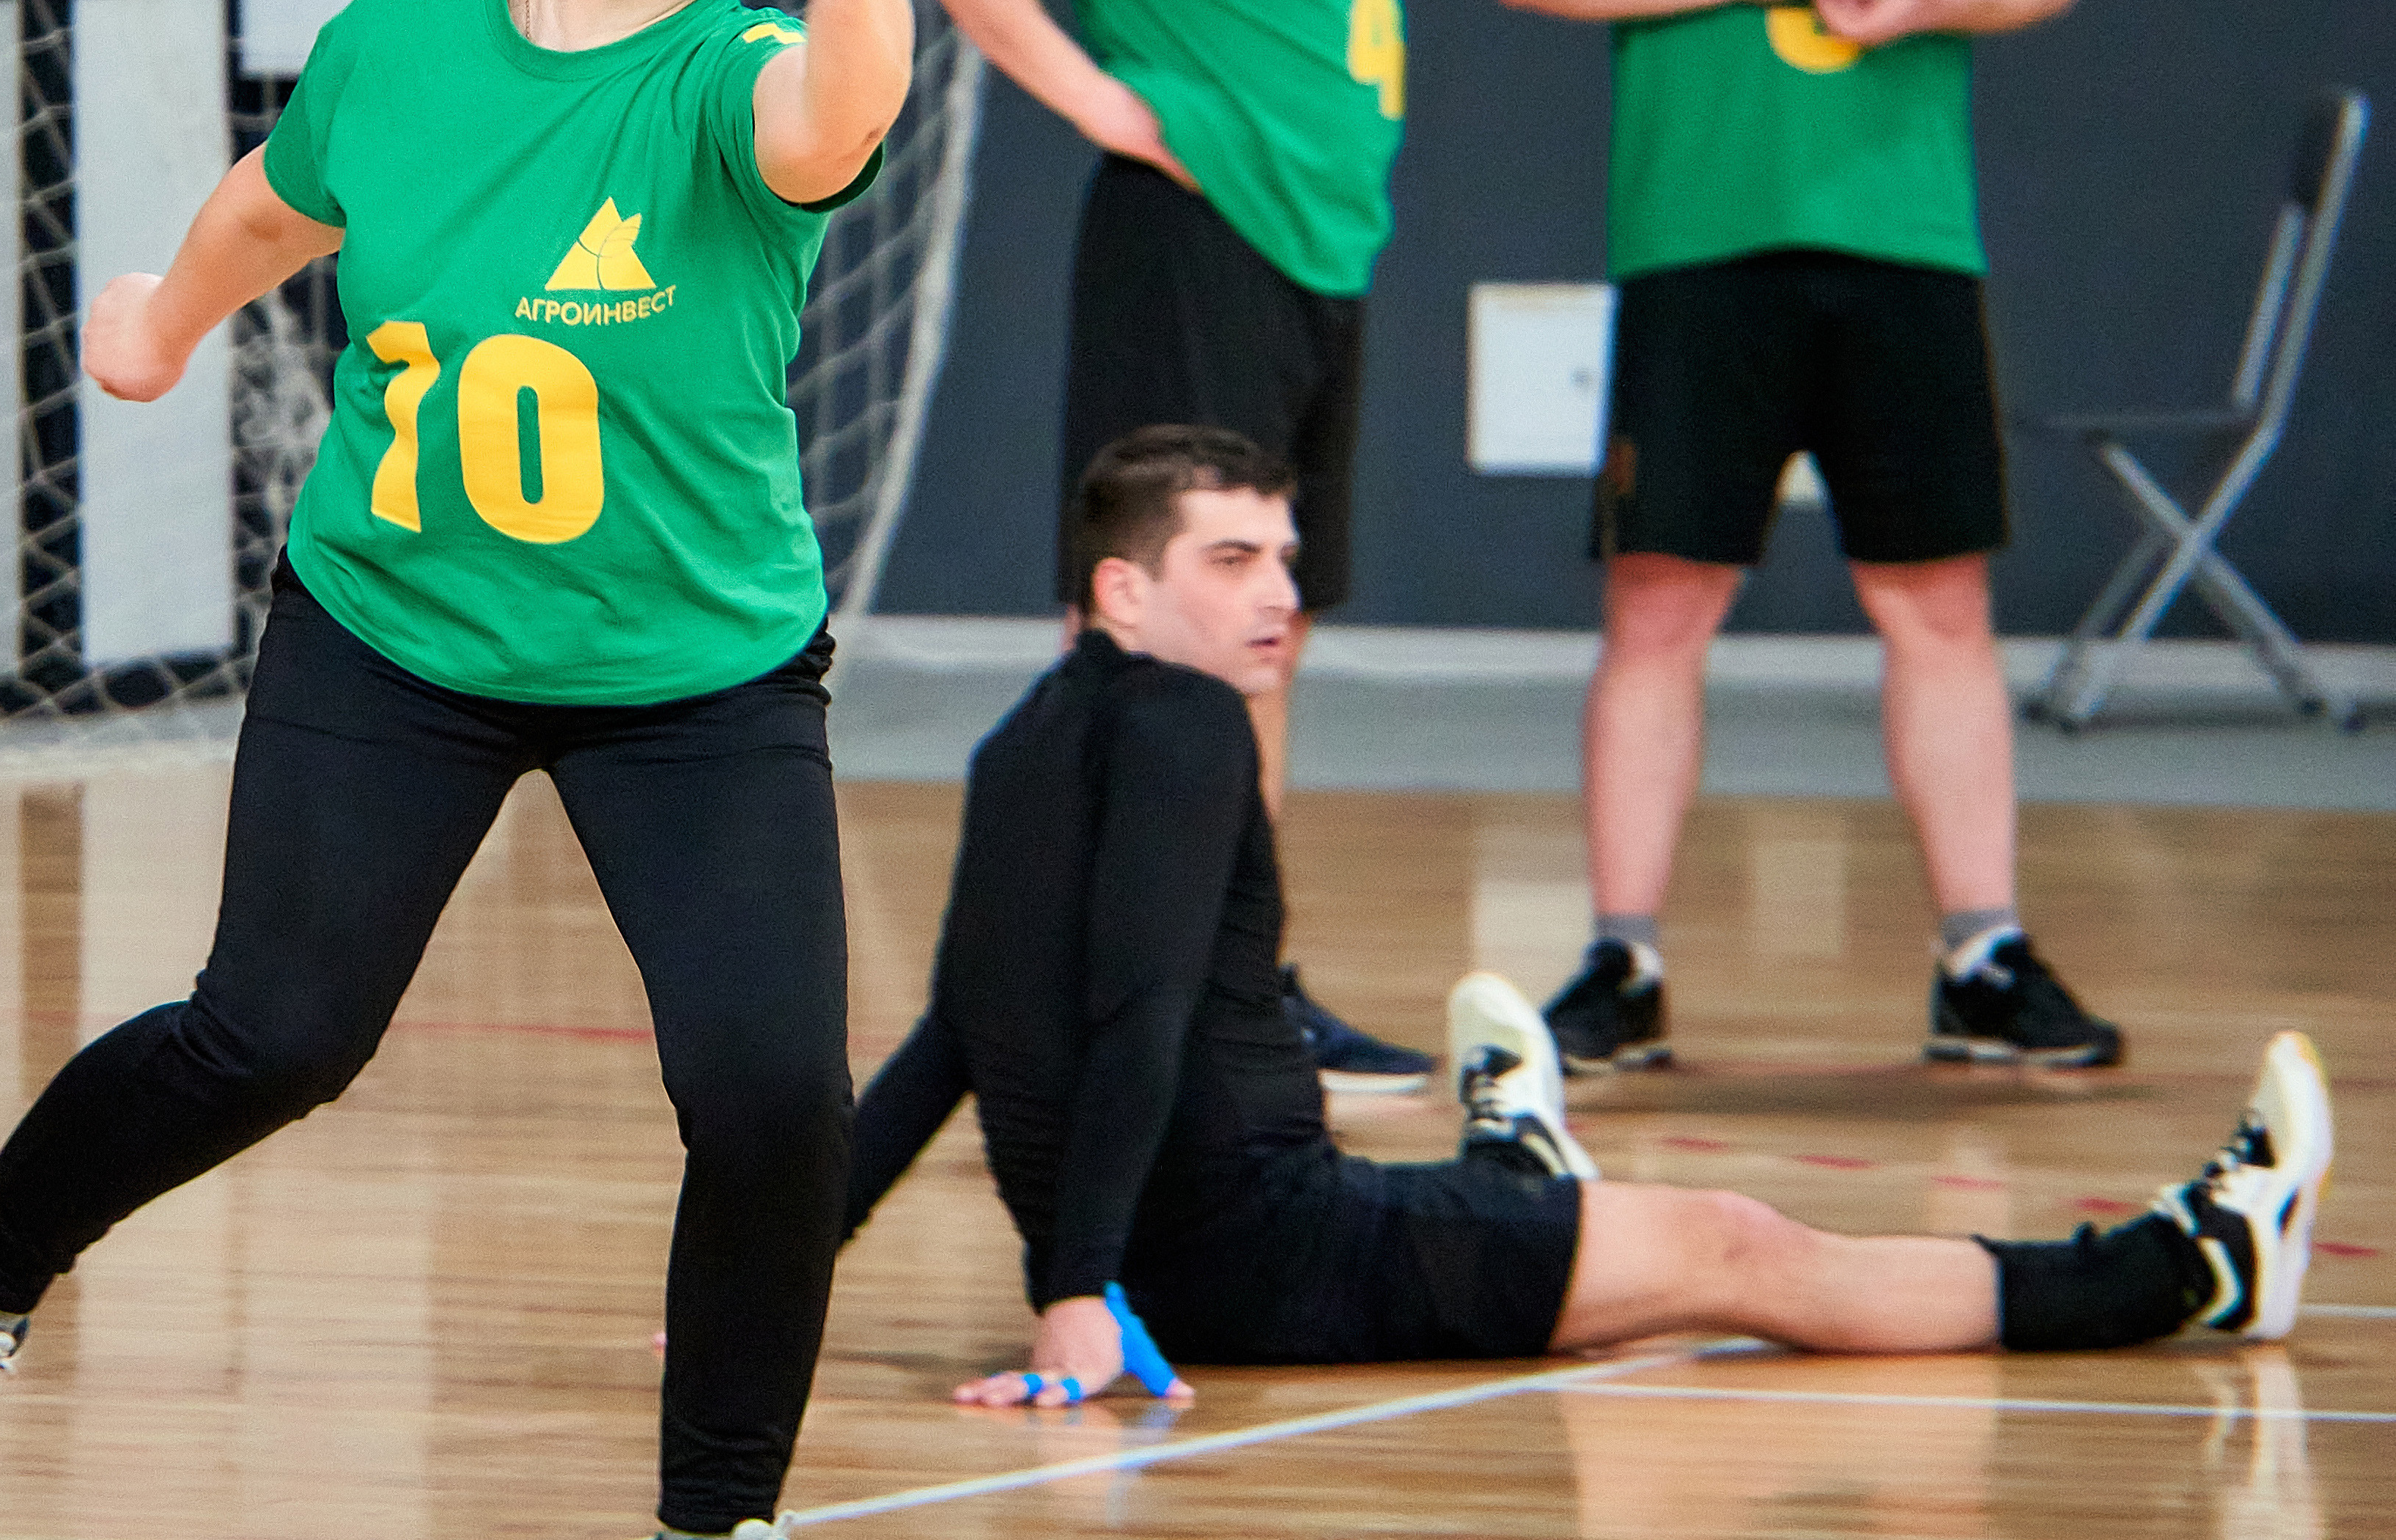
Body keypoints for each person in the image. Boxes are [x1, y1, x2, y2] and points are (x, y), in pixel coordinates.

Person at [0, 0, 926, 1540]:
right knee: (273, 1036)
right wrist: (162, 324)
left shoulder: (728, 78)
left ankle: (712, 1518)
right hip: (391, 626)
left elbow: (835, 115)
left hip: (689, 670)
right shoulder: (401, 40)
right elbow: (280, 208)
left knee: (767, 1093)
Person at [841, 426, 2330, 1404]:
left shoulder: (1019, 742)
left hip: (1222, 1253)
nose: (1279, 593)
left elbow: (950, 1038)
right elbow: (1138, 1015)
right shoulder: (1190, 729)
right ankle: (2197, 1265)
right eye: (1232, 561)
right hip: (1285, 1256)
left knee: (1586, 1238)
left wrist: (780, 1268)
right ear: (1121, 589)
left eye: (1287, 557)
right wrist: (1078, 1289)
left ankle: (1518, 1159)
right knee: (1743, 1249)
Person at [1486, 0, 2123, 1076]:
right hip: (1699, 230)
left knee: (1934, 601)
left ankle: (1977, 956)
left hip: (1901, 232)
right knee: (1658, 600)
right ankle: (1618, 960)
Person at [901, 0, 1426, 1090]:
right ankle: (1100, 993)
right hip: (1191, 238)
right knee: (1148, 635)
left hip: (1316, 242)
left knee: (1264, 627)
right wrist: (1103, 103)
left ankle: (1233, 986)